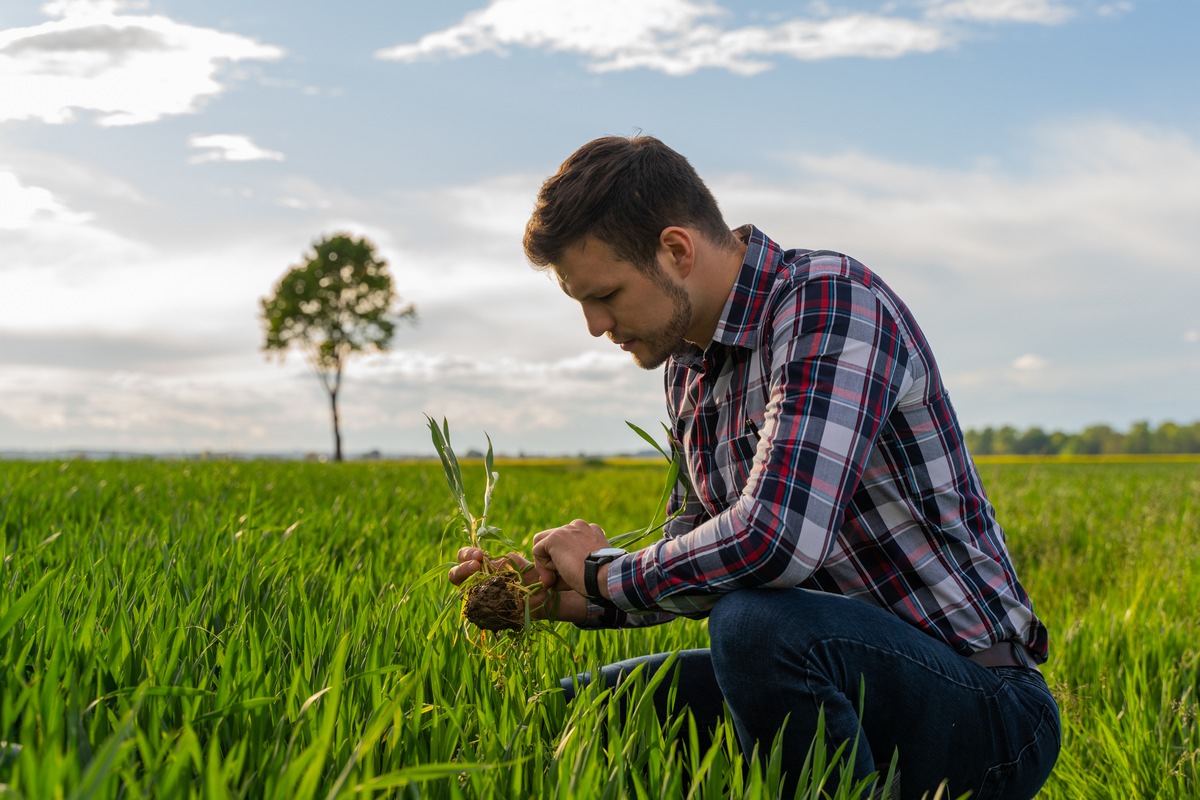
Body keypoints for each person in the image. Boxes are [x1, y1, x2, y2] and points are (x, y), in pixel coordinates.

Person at [448, 135, 1060, 799]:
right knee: (576, 713)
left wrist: (603, 574)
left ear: (676, 251)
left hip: (979, 703)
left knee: (755, 626)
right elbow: (704, 563)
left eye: (606, 294)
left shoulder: (829, 302)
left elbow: (774, 540)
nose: (596, 325)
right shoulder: (687, 369)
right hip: (823, 676)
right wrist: (565, 595)